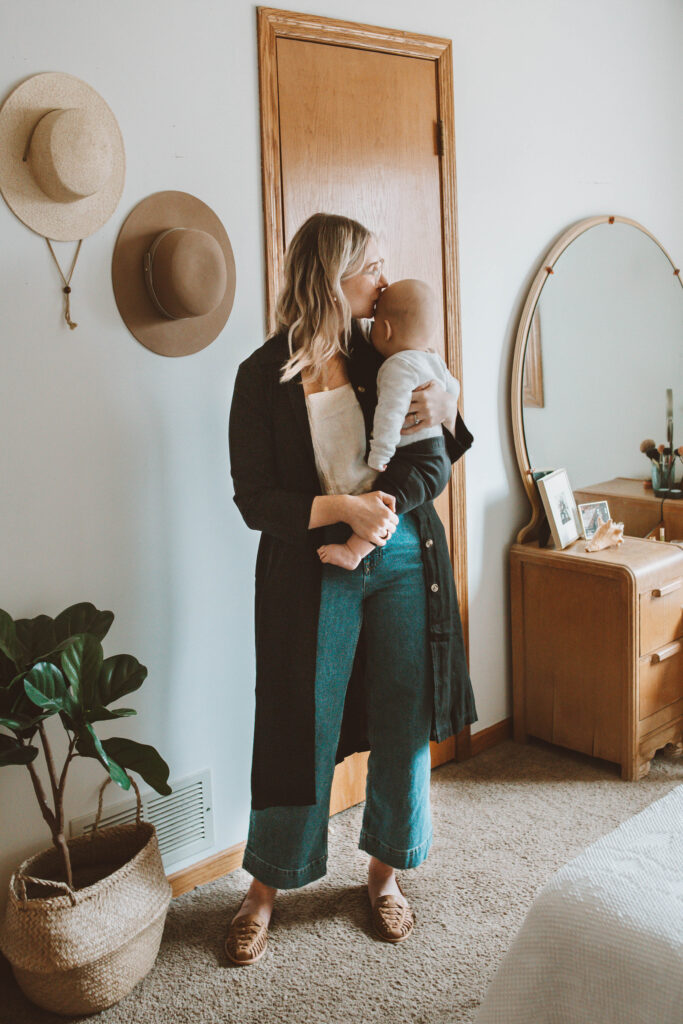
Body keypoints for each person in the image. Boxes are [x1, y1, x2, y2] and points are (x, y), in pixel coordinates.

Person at [227, 212, 477, 966]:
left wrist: (386, 506)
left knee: (403, 716)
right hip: (310, 571)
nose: (384, 276)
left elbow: (435, 457)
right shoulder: (260, 375)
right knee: (297, 723)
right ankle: (265, 887)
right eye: (371, 264)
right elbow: (254, 500)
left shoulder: (387, 352)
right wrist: (342, 511)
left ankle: (384, 874)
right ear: (332, 277)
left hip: (401, 561)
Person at [317, 278, 462, 570]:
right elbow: (454, 386)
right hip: (434, 459)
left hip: (415, 463)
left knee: (384, 506)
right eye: (372, 269)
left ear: (384, 329)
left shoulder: (395, 364)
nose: (382, 281)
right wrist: (449, 400)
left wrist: (380, 456)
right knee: (387, 503)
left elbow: (391, 415)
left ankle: (353, 551)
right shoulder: (432, 359)